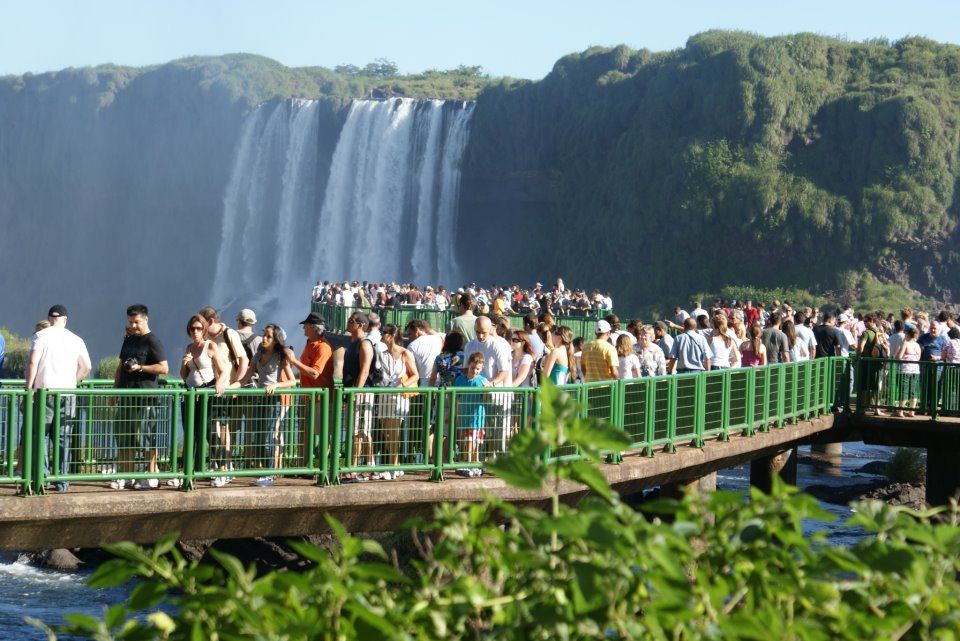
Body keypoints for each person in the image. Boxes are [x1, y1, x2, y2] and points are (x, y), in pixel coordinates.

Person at [24, 305, 92, 492]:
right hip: (67, 394)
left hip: (44, 393)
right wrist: (73, 381)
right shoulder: (76, 339)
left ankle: (43, 477)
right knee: (63, 437)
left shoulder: (41, 336)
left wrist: (28, 387)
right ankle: (62, 480)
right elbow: (86, 367)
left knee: (41, 435)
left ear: (49, 317)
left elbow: (32, 362)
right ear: (65, 319)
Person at [113, 304, 169, 490]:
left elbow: (164, 368)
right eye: (130, 322)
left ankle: (151, 475)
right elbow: (121, 366)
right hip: (126, 397)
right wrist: (115, 391)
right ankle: (127, 475)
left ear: (146, 319)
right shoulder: (128, 340)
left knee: (145, 437)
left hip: (146, 398)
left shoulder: (153, 341)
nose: (133, 325)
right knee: (125, 437)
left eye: (136, 322)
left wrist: (141, 368)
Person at [233, 324, 296, 486]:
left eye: (269, 336)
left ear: (276, 340)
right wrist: (228, 388)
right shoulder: (258, 354)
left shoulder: (280, 356)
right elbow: (245, 378)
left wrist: (276, 385)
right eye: (264, 335)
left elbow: (292, 381)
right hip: (259, 399)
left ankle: (268, 474)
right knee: (257, 436)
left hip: (273, 401)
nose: (264, 339)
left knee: (268, 436)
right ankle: (263, 471)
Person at [199, 306, 249, 484]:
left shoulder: (229, 334)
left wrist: (238, 385)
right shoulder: (207, 337)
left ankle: (226, 466)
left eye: (203, 325)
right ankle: (216, 462)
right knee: (212, 427)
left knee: (223, 427)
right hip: (210, 389)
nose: (200, 330)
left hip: (227, 388)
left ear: (211, 321)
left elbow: (244, 359)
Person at [180, 314, 229, 488]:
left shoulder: (210, 346)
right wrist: (183, 363)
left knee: (209, 432)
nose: (195, 331)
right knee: (190, 434)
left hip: (206, 394)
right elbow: (185, 375)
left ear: (204, 330)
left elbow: (223, 370)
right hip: (190, 394)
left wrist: (220, 384)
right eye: (192, 329)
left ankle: (222, 470)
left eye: (199, 328)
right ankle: (188, 473)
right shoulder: (188, 347)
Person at [284, 312, 335, 465]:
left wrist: (293, 361)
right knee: (306, 432)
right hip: (309, 396)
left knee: (322, 433)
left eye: (305, 325)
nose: (303, 328)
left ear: (313, 327)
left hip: (321, 398)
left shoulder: (323, 347)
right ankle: (304, 465)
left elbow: (314, 373)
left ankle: (322, 468)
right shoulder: (309, 343)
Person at [373, 325, 418, 480]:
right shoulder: (382, 353)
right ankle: (395, 466)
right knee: (387, 433)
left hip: (398, 398)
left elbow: (415, 375)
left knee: (394, 433)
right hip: (384, 396)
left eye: (383, 332)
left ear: (390, 336)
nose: (380, 334)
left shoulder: (405, 353)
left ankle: (392, 466)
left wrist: (402, 386)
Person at [341, 311, 377, 479]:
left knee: (360, 430)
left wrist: (354, 393)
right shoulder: (352, 343)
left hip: (361, 393)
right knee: (357, 430)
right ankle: (368, 465)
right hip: (353, 391)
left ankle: (354, 467)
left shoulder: (365, 344)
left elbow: (364, 371)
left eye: (351, 321)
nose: (348, 323)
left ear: (361, 325)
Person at [453, 352, 490, 477]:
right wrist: (457, 415)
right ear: (468, 365)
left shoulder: (482, 381)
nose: (475, 371)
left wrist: (487, 391)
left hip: (477, 417)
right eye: (473, 368)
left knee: (473, 442)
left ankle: (472, 464)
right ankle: (469, 463)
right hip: (464, 416)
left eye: (478, 369)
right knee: (466, 441)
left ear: (482, 368)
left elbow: (486, 399)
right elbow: (457, 399)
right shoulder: (460, 380)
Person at [405, 319, 444, 387]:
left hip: (424, 384)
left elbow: (410, 369)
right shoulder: (439, 338)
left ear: (417, 330)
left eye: (410, 334)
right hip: (440, 384)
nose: (408, 338)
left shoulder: (412, 346)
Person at [894, 326, 921, 417]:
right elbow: (918, 358)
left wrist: (896, 355)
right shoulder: (917, 345)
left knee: (904, 390)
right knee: (913, 391)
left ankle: (900, 411)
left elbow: (899, 356)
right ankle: (911, 411)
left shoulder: (905, 343)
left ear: (908, 334)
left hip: (905, 370)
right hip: (915, 370)